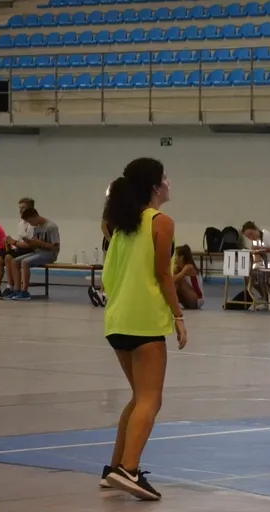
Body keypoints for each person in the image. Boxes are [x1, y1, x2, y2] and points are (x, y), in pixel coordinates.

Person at [100, 158, 187, 501]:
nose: (169, 181)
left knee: (138, 397)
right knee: (152, 399)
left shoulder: (122, 226)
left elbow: (109, 276)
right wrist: (178, 316)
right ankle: (129, 469)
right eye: (165, 177)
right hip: (145, 319)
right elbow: (164, 274)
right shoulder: (160, 222)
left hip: (117, 320)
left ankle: (114, 468)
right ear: (155, 186)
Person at [4, 207, 60, 301]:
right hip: (38, 252)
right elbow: (35, 245)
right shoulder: (37, 227)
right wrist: (29, 242)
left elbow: (56, 247)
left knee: (25, 262)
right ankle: (17, 289)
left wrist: (40, 243)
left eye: (30, 221)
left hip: (49, 254)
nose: (30, 224)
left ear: (35, 216)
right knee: (14, 261)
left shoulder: (51, 226)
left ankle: (24, 291)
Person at [173, 245, 204, 309]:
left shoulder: (189, 267)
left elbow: (172, 280)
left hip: (197, 300)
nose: (174, 258)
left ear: (181, 257)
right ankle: (172, 303)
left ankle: (172, 304)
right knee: (176, 280)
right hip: (189, 301)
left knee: (178, 280)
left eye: (175, 255)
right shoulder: (179, 268)